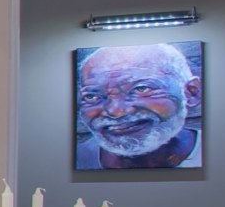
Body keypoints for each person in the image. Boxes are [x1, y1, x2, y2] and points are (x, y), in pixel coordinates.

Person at [75, 41, 202, 169]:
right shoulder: (75, 160)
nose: (115, 111)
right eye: (92, 96)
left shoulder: (218, 151)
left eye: (141, 89)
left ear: (191, 93)